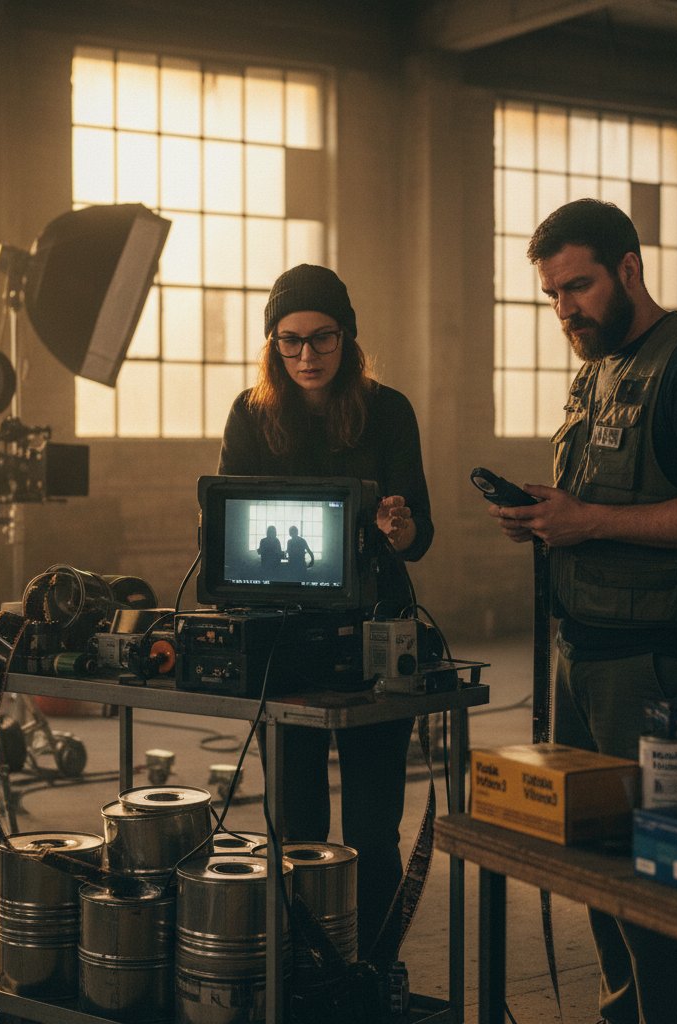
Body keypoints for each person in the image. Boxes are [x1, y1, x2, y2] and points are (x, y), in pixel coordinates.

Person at [488, 199, 677, 1024]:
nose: (564, 309)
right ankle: (624, 1012)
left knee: (659, 866)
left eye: (578, 286)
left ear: (630, 269)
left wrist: (592, 522)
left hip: (658, 660)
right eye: (552, 295)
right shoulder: (599, 365)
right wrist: (550, 514)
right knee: (600, 858)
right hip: (587, 649)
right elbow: (609, 488)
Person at [218, 262, 434, 960]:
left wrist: (401, 529)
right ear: (272, 344)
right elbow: (228, 527)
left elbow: (420, 533)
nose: (307, 355)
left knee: (372, 828)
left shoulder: (390, 409)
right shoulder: (250, 415)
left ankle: (372, 972)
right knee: (297, 824)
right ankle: (304, 969)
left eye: (322, 338)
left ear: (349, 338)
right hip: (284, 642)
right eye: (290, 341)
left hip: (375, 635)